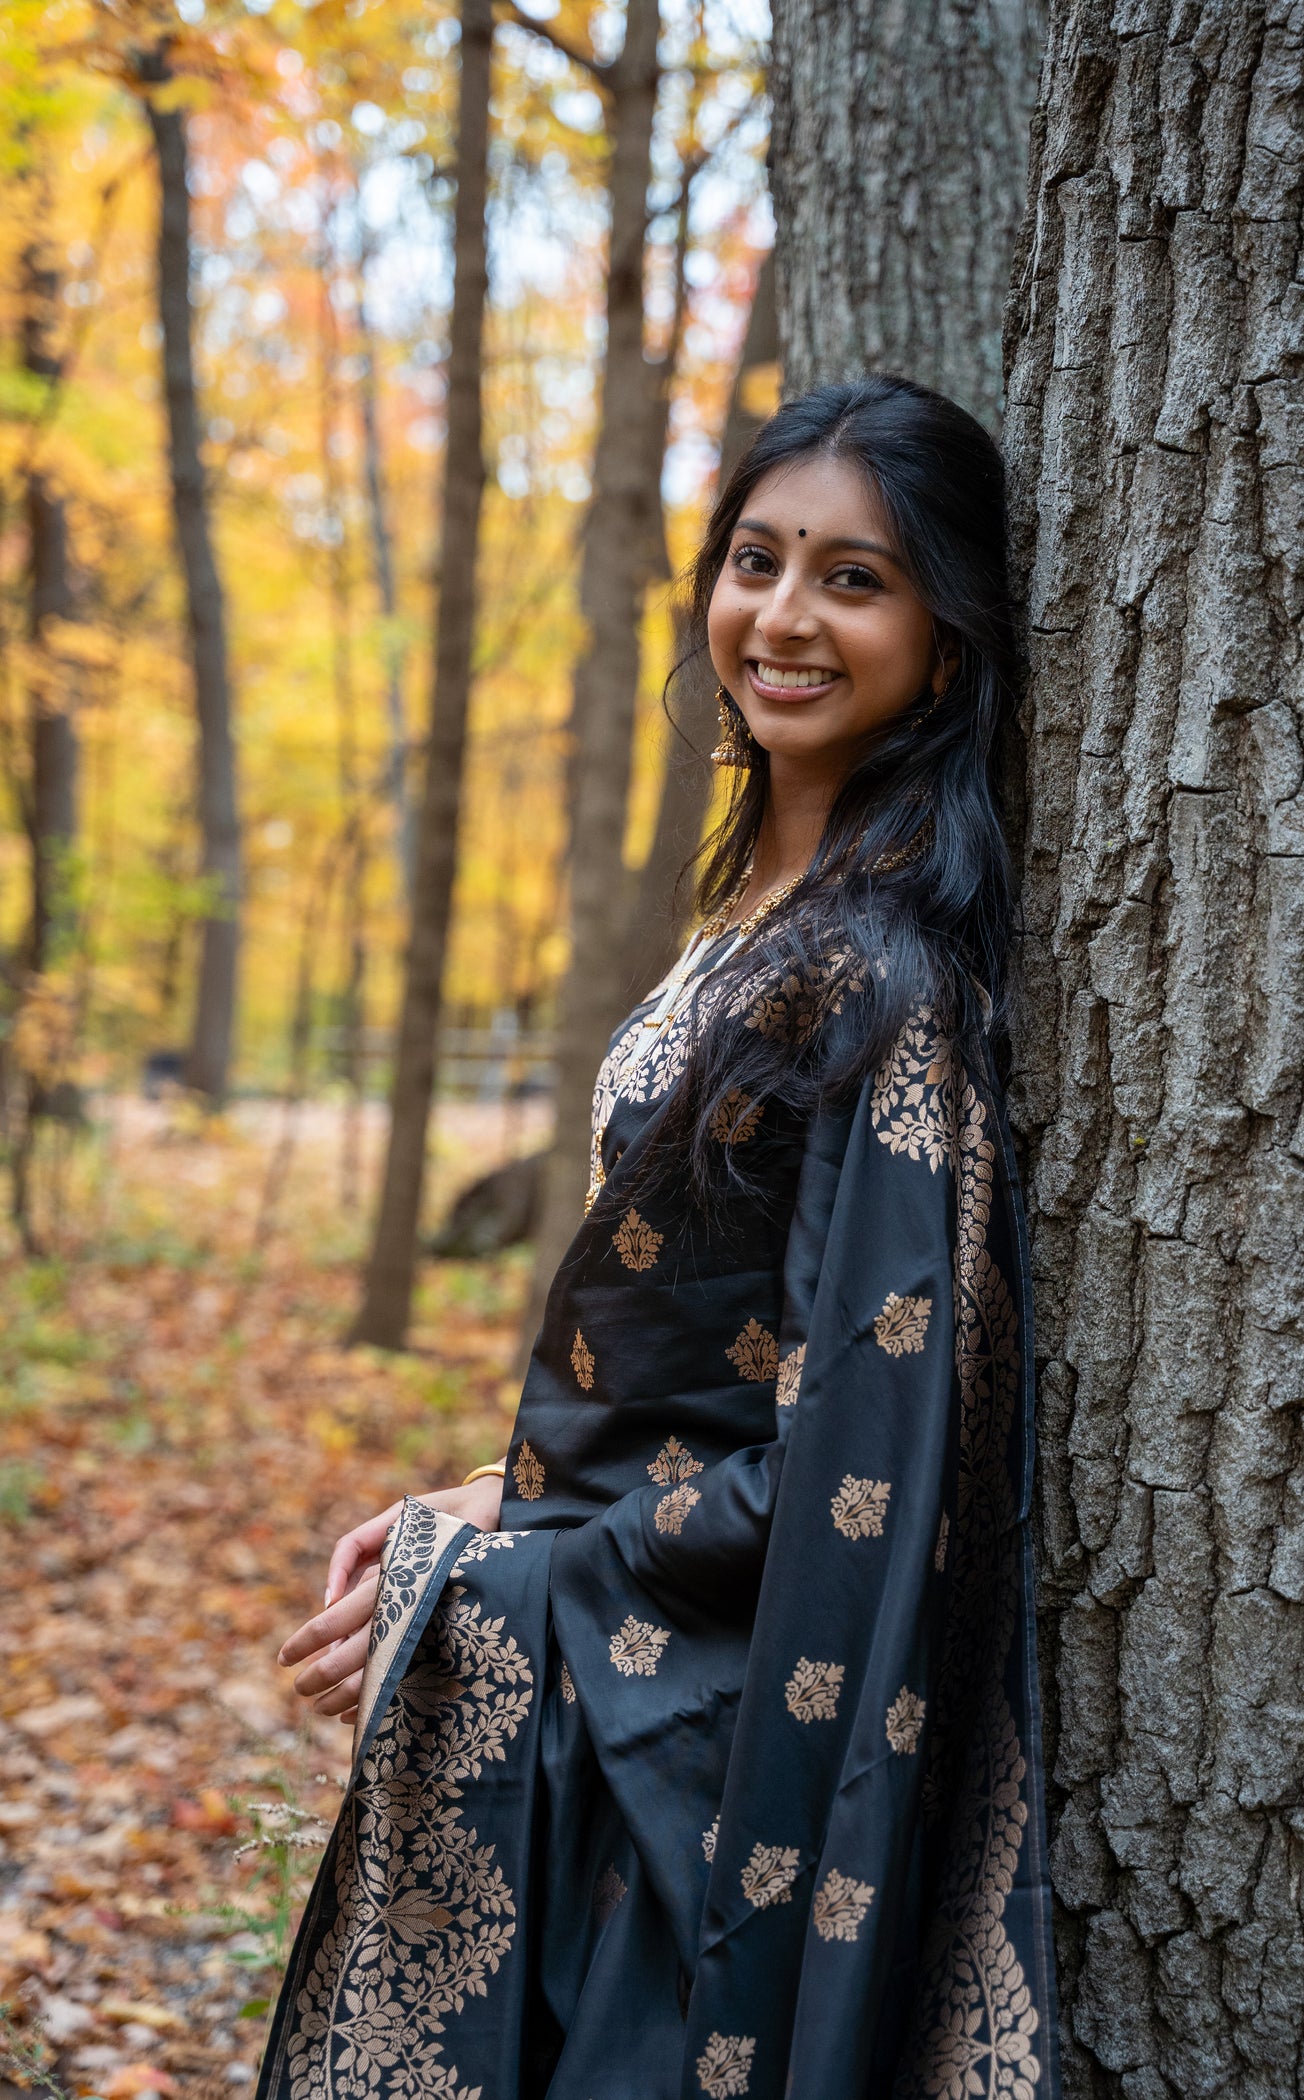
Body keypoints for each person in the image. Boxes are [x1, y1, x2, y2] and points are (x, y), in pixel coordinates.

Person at [266, 375, 1060, 2100]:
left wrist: (507, 1581)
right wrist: (486, 1500)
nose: (782, 618)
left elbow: (851, 1461)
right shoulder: (760, 916)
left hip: (705, 1764)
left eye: (856, 579)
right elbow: (699, 1369)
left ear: (948, 637)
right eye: (757, 560)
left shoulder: (879, 985)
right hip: (630, 1675)